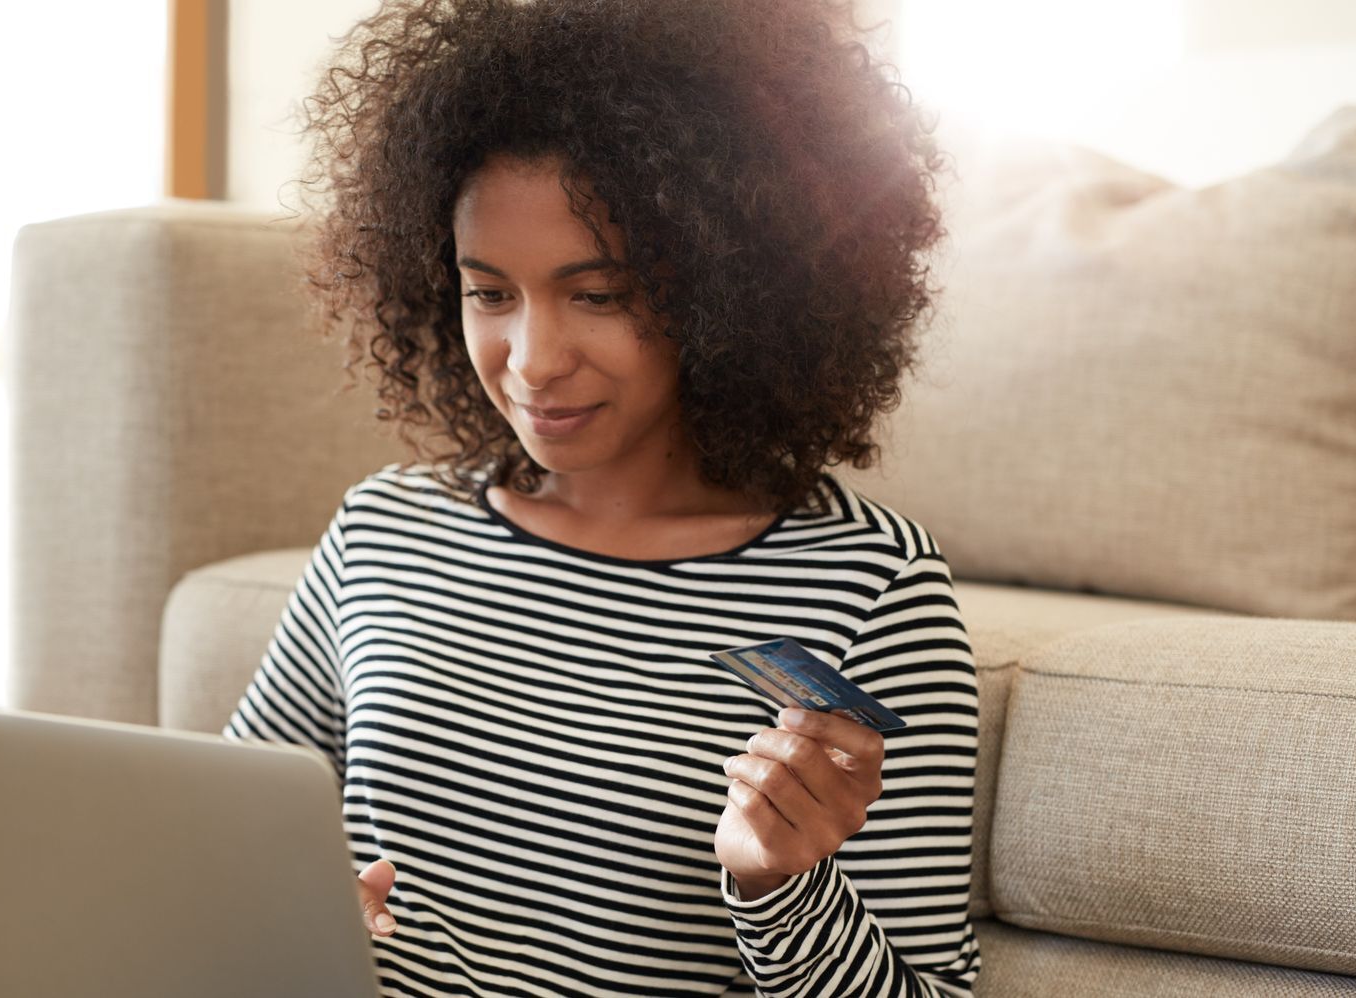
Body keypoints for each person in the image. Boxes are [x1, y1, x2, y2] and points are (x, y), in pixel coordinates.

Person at [222, 0, 981, 994]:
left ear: (734, 291)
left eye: (600, 294)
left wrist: (780, 892)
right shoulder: (384, 529)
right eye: (490, 292)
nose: (531, 362)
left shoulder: (868, 587)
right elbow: (220, 846)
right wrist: (296, 918)